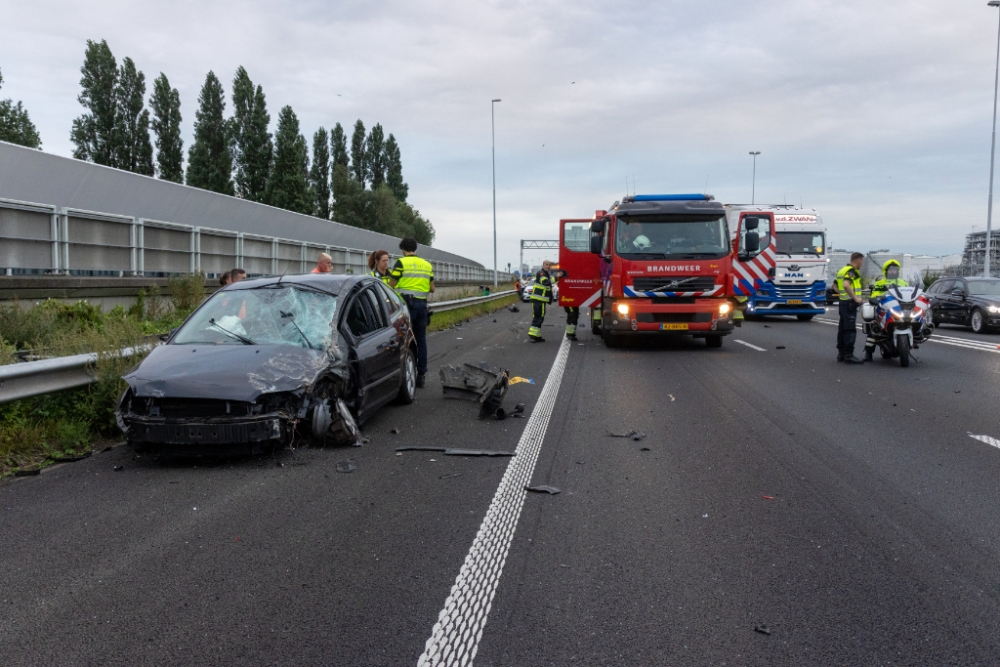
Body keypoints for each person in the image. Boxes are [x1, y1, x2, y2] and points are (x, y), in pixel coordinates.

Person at [389, 238, 434, 388]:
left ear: (402, 249)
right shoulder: (427, 265)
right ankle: (421, 375)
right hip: (421, 305)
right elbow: (432, 288)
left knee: (402, 339)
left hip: (406, 306)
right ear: (415, 248)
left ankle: (403, 374)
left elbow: (391, 285)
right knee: (421, 340)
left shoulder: (401, 263)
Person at [863, 259, 908, 361]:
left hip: (900, 309)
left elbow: (910, 294)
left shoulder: (903, 283)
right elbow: (874, 294)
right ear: (886, 271)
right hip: (885, 309)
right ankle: (868, 352)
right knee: (874, 328)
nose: (893, 272)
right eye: (891, 270)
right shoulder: (880, 283)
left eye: (895, 270)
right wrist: (874, 298)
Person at [835, 252, 865, 364]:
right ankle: (849, 354)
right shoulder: (852, 271)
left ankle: (841, 354)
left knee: (842, 328)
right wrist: (855, 298)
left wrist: (843, 294)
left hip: (843, 302)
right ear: (858, 261)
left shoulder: (842, 270)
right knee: (850, 329)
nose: (862, 264)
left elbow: (835, 286)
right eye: (862, 261)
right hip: (849, 303)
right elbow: (846, 285)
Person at [528, 260, 555, 342]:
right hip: (538, 299)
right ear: (543, 265)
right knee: (539, 316)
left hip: (541, 300)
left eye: (549, 265)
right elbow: (546, 283)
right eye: (546, 264)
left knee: (540, 316)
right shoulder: (541, 273)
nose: (548, 266)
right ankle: (533, 334)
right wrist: (557, 278)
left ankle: (537, 335)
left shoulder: (546, 274)